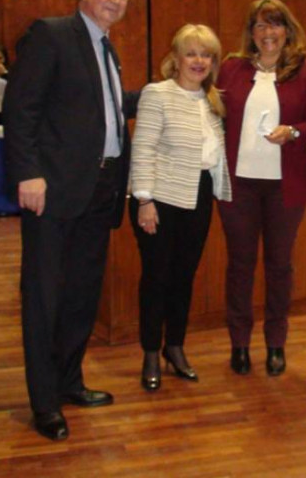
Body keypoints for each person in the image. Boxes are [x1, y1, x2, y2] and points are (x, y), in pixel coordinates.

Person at [4, 0, 140, 441]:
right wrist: (28, 173)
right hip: (54, 189)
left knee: (82, 293)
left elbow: (100, 109)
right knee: (44, 297)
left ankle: (69, 382)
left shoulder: (107, 49)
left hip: (100, 189)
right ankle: (44, 403)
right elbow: (20, 109)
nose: (116, 0)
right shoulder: (52, 33)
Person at [217, 0, 306, 377]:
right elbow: (211, 117)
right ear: (251, 32)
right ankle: (240, 344)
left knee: (280, 266)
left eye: (275, 24)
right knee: (240, 266)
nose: (269, 33)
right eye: (261, 25)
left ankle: (276, 343)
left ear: (288, 30)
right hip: (239, 186)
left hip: (285, 187)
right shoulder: (230, 69)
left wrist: (294, 131)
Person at [129, 24, 231, 392]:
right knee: (156, 278)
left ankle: (175, 347)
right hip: (159, 199)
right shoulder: (157, 94)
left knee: (183, 278)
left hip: (198, 196)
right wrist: (144, 200)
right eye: (192, 53)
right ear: (175, 58)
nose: (199, 61)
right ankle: (151, 353)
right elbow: (143, 148)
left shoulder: (213, 99)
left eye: (206, 54)